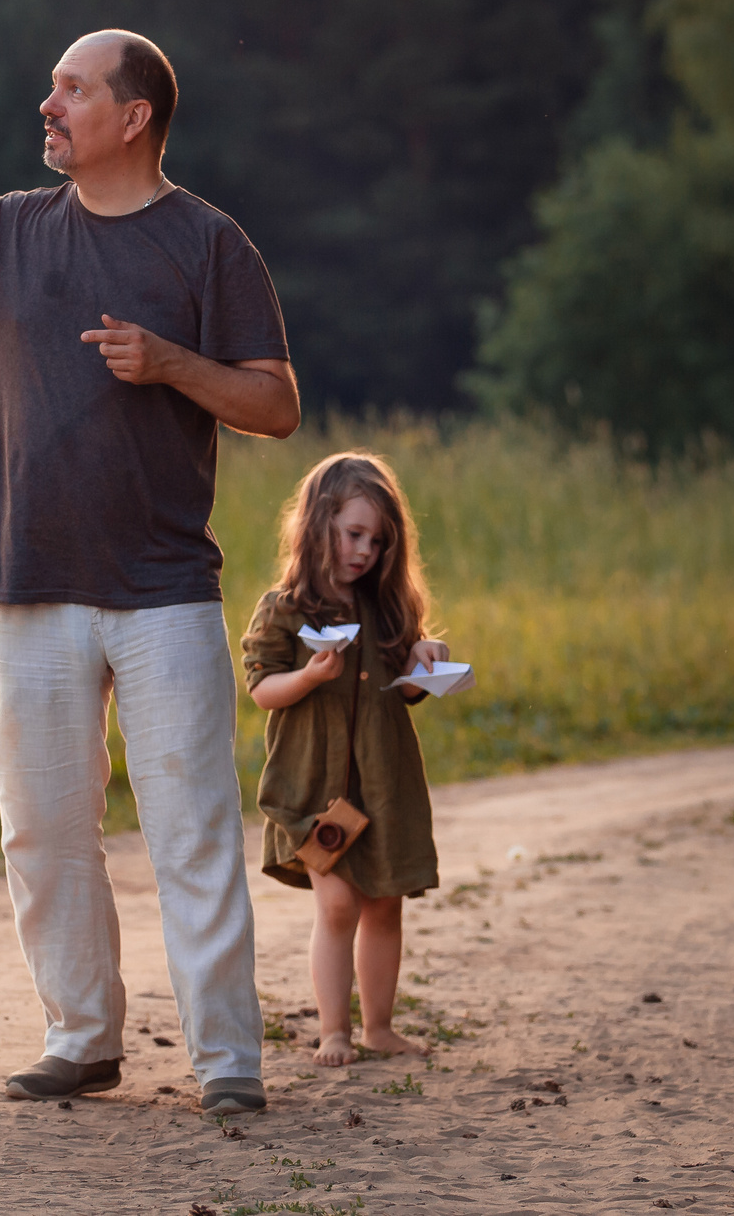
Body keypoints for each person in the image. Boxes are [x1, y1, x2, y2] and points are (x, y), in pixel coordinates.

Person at [0, 29, 299, 1116]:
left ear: (133, 118)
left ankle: (227, 1059)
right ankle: (82, 1037)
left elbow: (276, 404)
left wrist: (173, 364)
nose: (47, 104)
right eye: (51, 86)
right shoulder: (7, 229)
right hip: (29, 578)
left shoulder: (209, 243)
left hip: (164, 588)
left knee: (191, 830)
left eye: (73, 89)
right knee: (44, 830)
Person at [243, 452, 447, 1066]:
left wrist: (423, 661)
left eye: (378, 541)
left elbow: (403, 691)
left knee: (384, 901)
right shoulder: (285, 608)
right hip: (314, 787)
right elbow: (261, 689)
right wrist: (308, 676)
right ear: (319, 524)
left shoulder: (386, 608)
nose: (365, 551)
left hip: (382, 784)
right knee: (336, 905)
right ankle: (334, 1029)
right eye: (355, 534)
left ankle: (379, 1027)